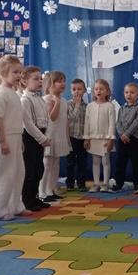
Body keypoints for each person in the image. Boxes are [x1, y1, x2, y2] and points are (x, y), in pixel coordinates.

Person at [0, 56, 30, 220]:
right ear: (3, 73)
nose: (19, 75)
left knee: (18, 173)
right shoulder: (0, 93)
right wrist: (3, 141)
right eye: (15, 72)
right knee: (4, 174)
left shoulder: (12, 92)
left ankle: (15, 206)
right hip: (4, 138)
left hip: (15, 136)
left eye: (20, 72)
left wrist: (19, 140)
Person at [20, 66, 51, 211]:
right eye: (35, 79)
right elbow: (28, 123)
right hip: (30, 137)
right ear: (25, 81)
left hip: (40, 135)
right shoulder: (24, 100)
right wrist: (41, 138)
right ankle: (27, 200)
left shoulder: (40, 99)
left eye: (41, 79)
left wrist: (46, 135)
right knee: (30, 170)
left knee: (39, 168)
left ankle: (35, 197)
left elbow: (46, 119)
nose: (40, 81)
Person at [39, 71, 71, 202]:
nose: (62, 83)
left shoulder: (64, 100)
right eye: (59, 81)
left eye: (63, 81)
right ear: (50, 84)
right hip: (50, 136)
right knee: (46, 164)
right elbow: (52, 117)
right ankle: (42, 192)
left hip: (59, 135)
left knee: (56, 163)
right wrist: (56, 102)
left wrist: (66, 137)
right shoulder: (47, 99)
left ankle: (51, 189)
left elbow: (65, 121)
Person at [84, 79, 116, 192]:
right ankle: (96, 183)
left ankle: (105, 184)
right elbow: (87, 123)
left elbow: (112, 124)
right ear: (93, 91)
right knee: (95, 162)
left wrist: (111, 139)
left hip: (105, 139)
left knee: (105, 161)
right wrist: (86, 138)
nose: (98, 91)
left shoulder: (110, 106)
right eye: (96, 89)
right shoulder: (90, 106)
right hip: (93, 139)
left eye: (101, 89)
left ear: (107, 92)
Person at [113, 83, 138, 193]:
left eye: (132, 92)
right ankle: (118, 183)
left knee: (136, 162)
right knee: (120, 162)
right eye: (126, 92)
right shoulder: (122, 108)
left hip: (134, 139)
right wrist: (122, 134)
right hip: (122, 139)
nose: (129, 95)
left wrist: (127, 133)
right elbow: (118, 123)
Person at [66, 78, 88, 191]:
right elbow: (70, 119)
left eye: (79, 89)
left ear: (84, 90)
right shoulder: (68, 104)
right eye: (74, 89)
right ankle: (69, 183)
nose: (77, 92)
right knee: (70, 162)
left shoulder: (87, 106)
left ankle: (81, 184)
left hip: (82, 138)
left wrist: (87, 138)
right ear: (71, 91)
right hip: (71, 138)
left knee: (82, 162)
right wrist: (77, 105)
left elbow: (88, 123)